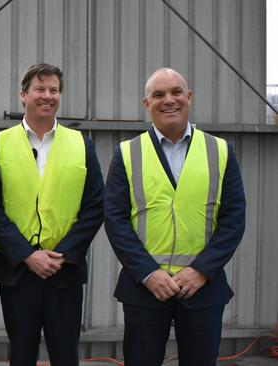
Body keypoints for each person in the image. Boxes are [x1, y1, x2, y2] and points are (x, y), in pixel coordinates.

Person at [104, 67, 246, 366]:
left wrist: (201, 271)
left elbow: (233, 217)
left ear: (189, 97)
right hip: (145, 288)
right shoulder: (127, 153)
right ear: (147, 104)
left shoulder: (219, 151)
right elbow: (115, 219)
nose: (169, 100)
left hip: (202, 287)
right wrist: (149, 273)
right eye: (158, 94)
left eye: (176, 92)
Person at [0, 63, 104, 365]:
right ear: (23, 96)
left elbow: (95, 207)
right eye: (39, 89)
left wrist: (62, 255)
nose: (47, 96)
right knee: (21, 354)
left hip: (63, 271)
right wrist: (28, 255)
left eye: (54, 90)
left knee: (66, 355)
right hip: (18, 271)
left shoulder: (82, 145)